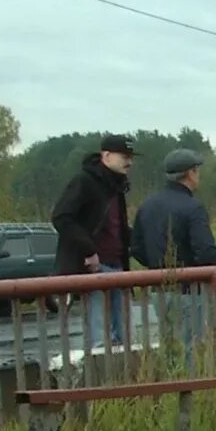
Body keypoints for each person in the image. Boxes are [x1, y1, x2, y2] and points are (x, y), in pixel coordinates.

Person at [51, 134, 135, 348]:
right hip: (95, 269)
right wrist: (88, 250)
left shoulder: (117, 186)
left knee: (125, 337)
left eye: (131, 157)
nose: (129, 162)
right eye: (124, 156)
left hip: (118, 266)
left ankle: (125, 379)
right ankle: (104, 379)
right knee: (100, 338)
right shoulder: (85, 181)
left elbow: (116, 225)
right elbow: (61, 217)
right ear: (106, 155)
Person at [134, 149, 216, 353]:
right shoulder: (193, 207)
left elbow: (136, 247)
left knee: (169, 344)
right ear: (190, 173)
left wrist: (157, 265)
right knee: (192, 344)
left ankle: (172, 383)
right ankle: (190, 384)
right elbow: (205, 251)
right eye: (197, 171)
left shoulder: (147, 205)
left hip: (159, 287)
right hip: (190, 289)